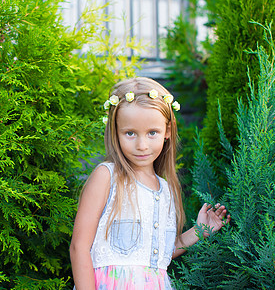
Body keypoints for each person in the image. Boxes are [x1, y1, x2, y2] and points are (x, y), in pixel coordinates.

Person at [70, 77, 230, 289]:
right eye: (130, 133)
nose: (142, 145)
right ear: (115, 133)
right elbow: (79, 247)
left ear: (167, 131)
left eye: (152, 133)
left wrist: (200, 230)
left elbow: (157, 253)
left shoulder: (165, 189)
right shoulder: (107, 177)